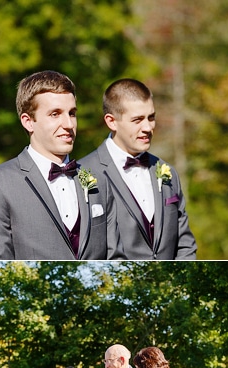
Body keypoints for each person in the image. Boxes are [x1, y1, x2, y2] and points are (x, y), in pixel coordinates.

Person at [0, 70, 123, 260]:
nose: (68, 124)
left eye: (72, 113)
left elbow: (116, 259)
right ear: (28, 122)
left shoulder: (100, 182)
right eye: (55, 114)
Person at [78, 78, 197, 259]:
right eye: (137, 120)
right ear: (111, 121)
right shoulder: (83, 174)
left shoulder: (168, 172)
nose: (148, 127)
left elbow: (185, 244)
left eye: (151, 117)